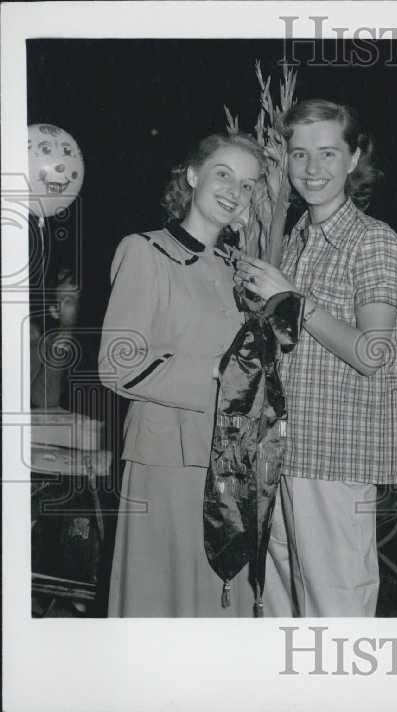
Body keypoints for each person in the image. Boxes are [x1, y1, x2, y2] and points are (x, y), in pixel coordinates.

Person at [233, 99, 397, 617]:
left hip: (337, 453)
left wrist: (293, 300)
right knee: (277, 601)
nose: (312, 170)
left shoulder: (373, 242)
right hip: (281, 449)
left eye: (328, 153)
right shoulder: (292, 241)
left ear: (355, 158)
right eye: (298, 155)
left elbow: (372, 352)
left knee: (335, 607)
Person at [99, 132, 263, 617]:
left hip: (228, 462)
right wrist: (217, 373)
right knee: (164, 602)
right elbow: (118, 364)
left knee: (216, 608)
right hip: (165, 461)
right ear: (193, 176)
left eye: (248, 185)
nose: (235, 189)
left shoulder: (239, 272)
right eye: (223, 174)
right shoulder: (146, 251)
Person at [30, 267, 81, 409]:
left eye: (81, 297)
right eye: (69, 301)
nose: (78, 305)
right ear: (54, 311)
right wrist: (55, 356)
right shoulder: (43, 347)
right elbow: (43, 400)